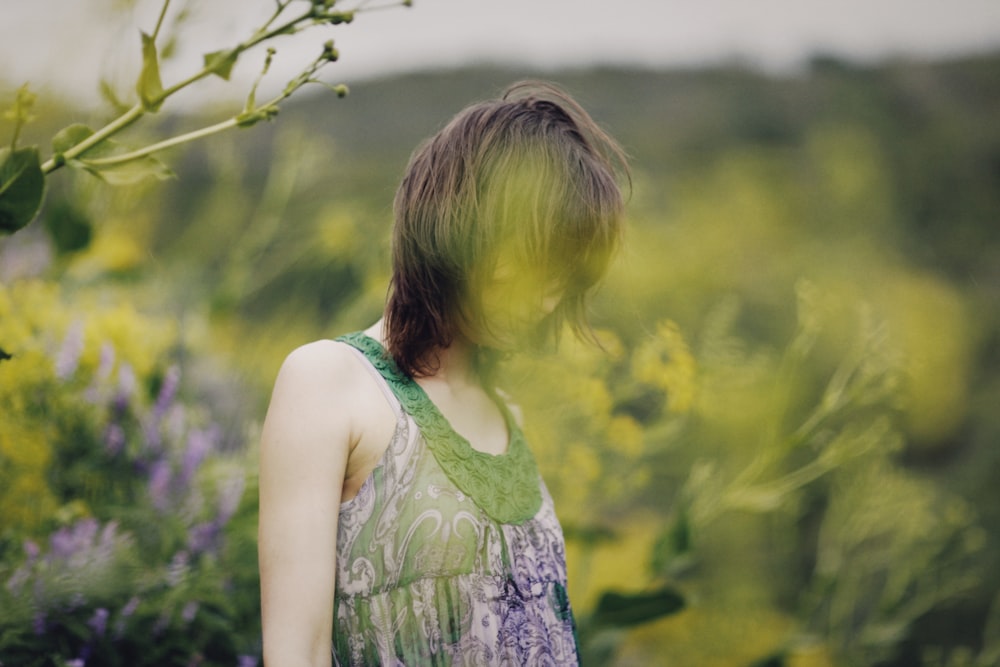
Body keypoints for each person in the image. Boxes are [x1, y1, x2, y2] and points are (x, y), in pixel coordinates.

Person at [258, 80, 628, 666]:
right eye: (541, 259)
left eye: (568, 272)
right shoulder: (329, 380)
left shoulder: (510, 413)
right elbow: (296, 652)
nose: (551, 296)